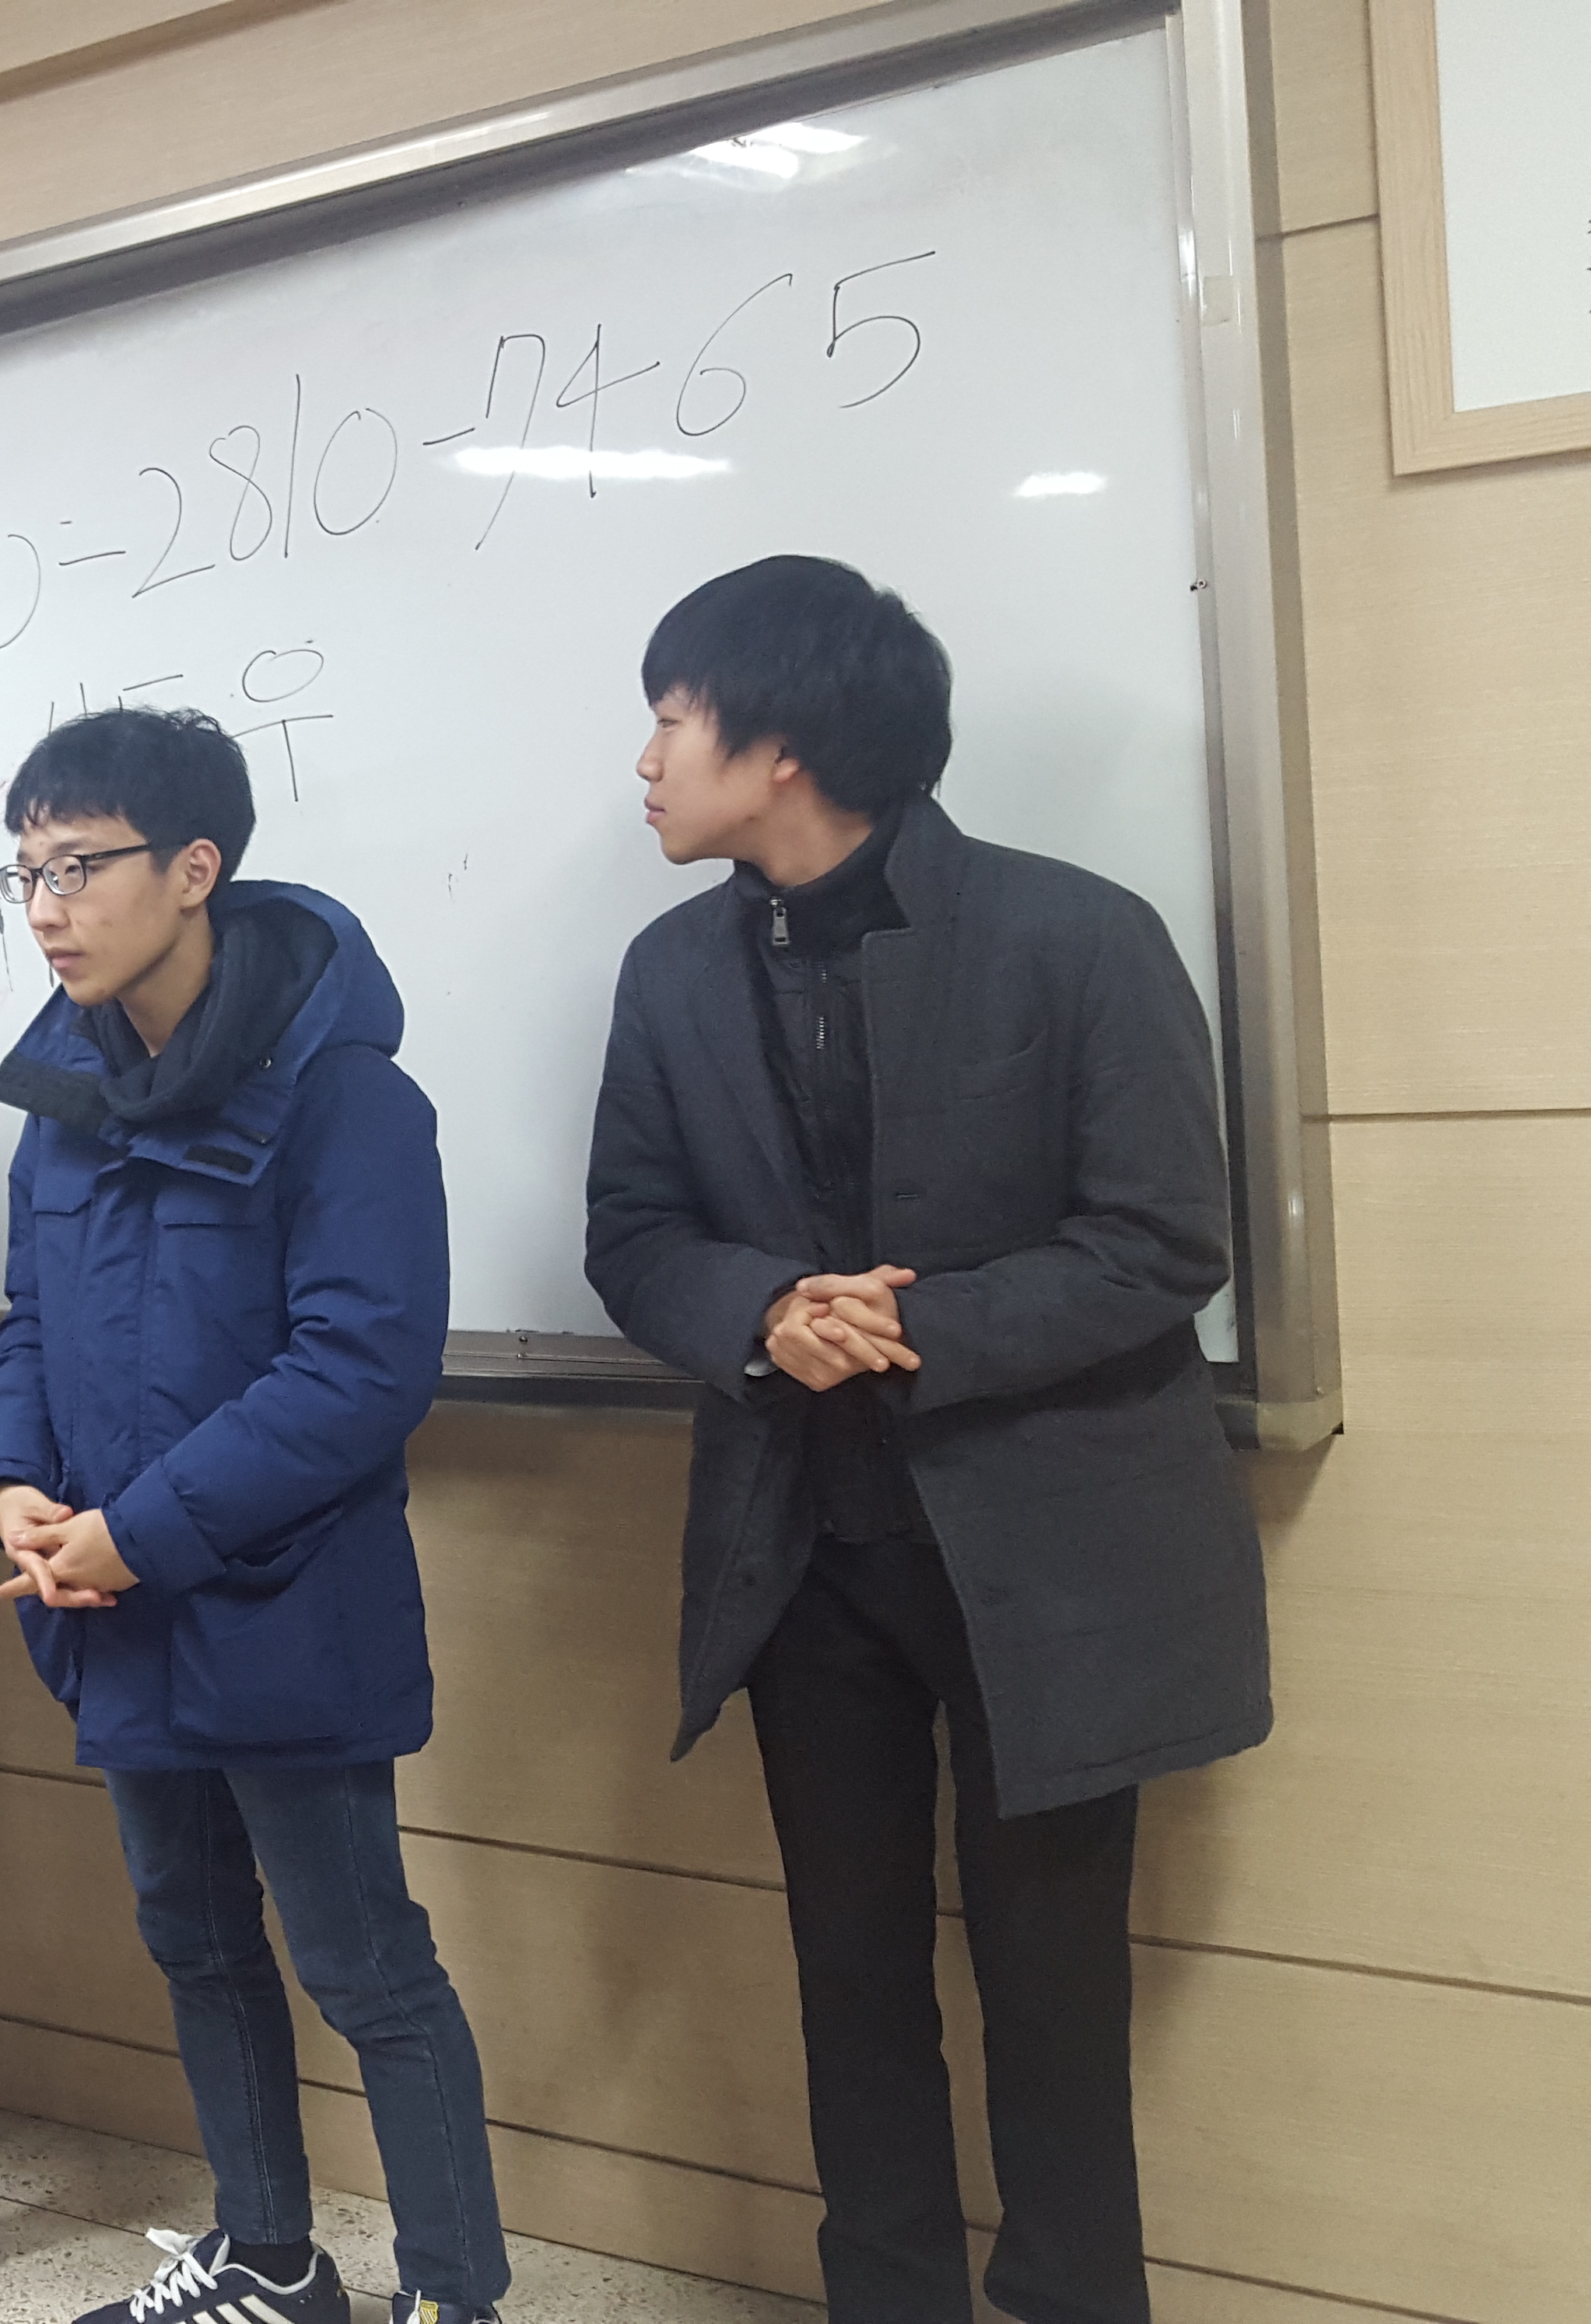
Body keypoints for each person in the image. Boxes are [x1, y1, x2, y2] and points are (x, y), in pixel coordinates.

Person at [583, 557, 1268, 2324]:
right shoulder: (670, 971)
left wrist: (904, 1326)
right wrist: (762, 1309)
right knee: (848, 1974)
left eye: (668, 719)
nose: (642, 761)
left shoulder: (1073, 933)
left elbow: (1160, 1237)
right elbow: (633, 1235)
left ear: (781, 743)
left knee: (1055, 1989)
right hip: (805, 1555)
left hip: (1049, 1562)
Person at [0, 710, 507, 2324]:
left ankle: (455, 2295)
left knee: (365, 1966)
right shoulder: (62, 1092)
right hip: (114, 1610)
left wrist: (140, 1530)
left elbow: (360, 1369)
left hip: (284, 1609)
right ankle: (268, 2259)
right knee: (194, 1941)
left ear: (195, 867)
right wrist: (10, 1484)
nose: (47, 906)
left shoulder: (345, 1094)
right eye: (25, 872)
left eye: (79, 865)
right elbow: (30, 1327)